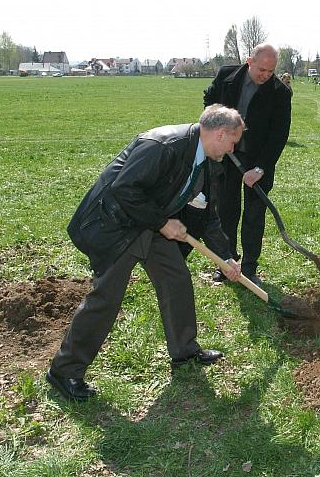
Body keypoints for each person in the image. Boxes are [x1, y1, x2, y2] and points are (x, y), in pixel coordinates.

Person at [46, 105, 244, 401]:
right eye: (233, 142)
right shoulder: (163, 145)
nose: (233, 149)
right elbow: (123, 189)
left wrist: (226, 256)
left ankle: (184, 350)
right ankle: (65, 371)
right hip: (117, 225)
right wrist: (163, 223)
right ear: (220, 134)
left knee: (176, 279)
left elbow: (208, 214)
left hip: (150, 224)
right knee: (106, 298)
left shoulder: (207, 161)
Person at [203, 43, 292, 286]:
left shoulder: (280, 93)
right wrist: (215, 124)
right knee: (226, 211)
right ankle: (226, 263)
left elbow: (278, 135)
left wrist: (260, 168)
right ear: (249, 61)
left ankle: (250, 267)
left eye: (271, 71)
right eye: (262, 69)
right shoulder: (226, 76)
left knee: (254, 215)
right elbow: (209, 99)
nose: (266, 75)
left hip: (257, 161)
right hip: (226, 156)